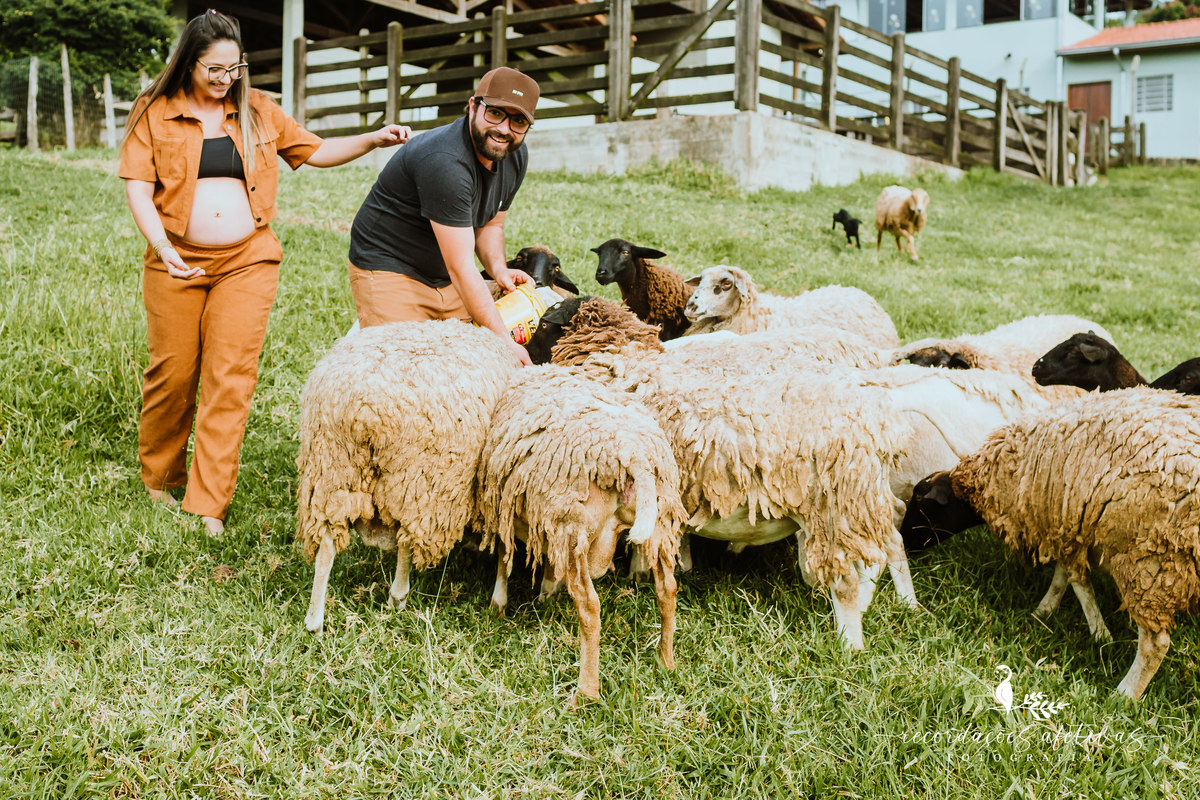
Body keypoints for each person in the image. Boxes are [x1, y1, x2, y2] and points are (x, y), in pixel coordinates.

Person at [119, 9, 411, 536]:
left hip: (246, 259)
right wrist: (161, 246)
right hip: (175, 257)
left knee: (229, 377)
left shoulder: (257, 110)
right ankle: (159, 476)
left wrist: (372, 140)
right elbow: (138, 186)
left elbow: (316, 151)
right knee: (173, 373)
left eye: (235, 69)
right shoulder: (154, 110)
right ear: (188, 63)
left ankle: (207, 504)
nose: (226, 79)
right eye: (214, 70)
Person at [346, 66, 540, 367]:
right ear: (473, 106)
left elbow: (491, 223)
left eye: (518, 121)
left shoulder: (514, 154)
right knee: (399, 370)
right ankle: (367, 330)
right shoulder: (445, 161)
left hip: (445, 273)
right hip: (391, 265)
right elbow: (462, 268)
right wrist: (504, 343)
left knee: (460, 365)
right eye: (496, 113)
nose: (504, 129)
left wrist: (499, 269)